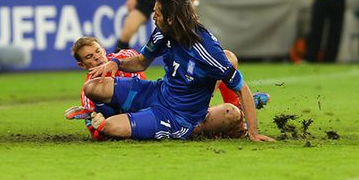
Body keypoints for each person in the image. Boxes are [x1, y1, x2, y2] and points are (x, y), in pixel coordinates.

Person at [79, 0, 274, 142]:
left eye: (157, 13)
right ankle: (120, 115)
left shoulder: (205, 50)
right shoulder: (162, 32)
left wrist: (254, 133)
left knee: (111, 127)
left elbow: (242, 87)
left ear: (171, 19)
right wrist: (116, 63)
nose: (153, 17)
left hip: (176, 115)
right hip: (157, 91)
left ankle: (222, 123)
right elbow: (141, 62)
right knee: (92, 88)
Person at [66, 36, 270, 140]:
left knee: (227, 60)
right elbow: (97, 131)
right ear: (82, 66)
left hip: (166, 97)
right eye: (89, 58)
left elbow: (139, 62)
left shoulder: (123, 57)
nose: (97, 58)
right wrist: (93, 118)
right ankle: (229, 117)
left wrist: (115, 64)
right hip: (153, 115)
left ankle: (240, 111)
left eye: (97, 51)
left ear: (104, 49)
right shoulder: (90, 90)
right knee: (222, 116)